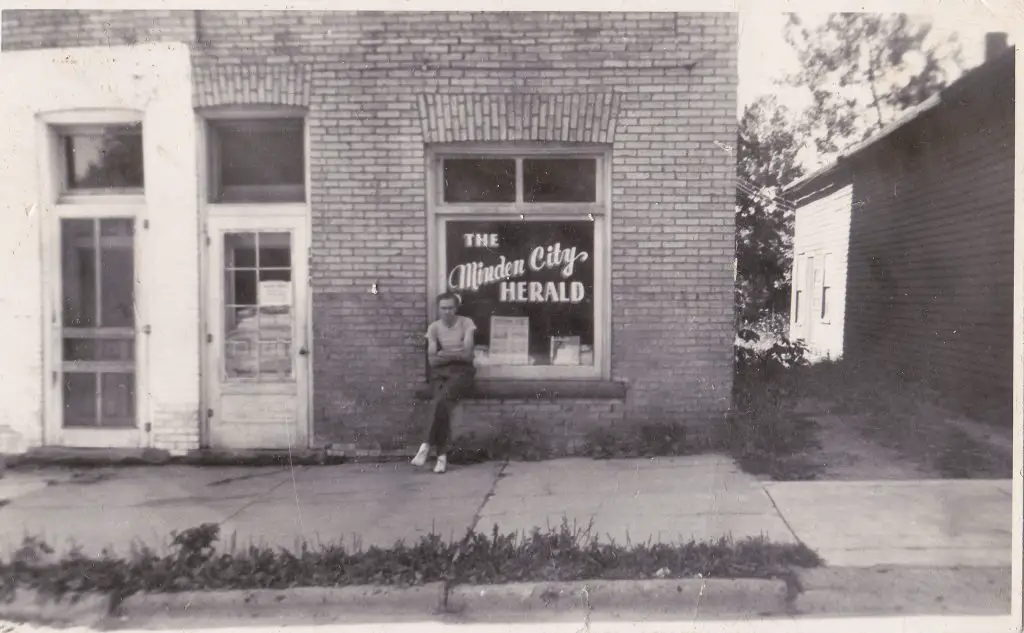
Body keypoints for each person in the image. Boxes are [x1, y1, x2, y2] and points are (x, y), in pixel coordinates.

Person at [410, 292, 477, 474]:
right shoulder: (434, 328)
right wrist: (455, 355)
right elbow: (432, 361)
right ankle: (441, 456)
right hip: (440, 373)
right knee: (442, 404)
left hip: (462, 373)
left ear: (456, 308)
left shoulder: (466, 323)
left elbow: (468, 355)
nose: (447, 311)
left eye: (450, 308)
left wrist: (443, 355)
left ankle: (427, 445)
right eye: (443, 308)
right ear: (438, 309)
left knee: (439, 402)